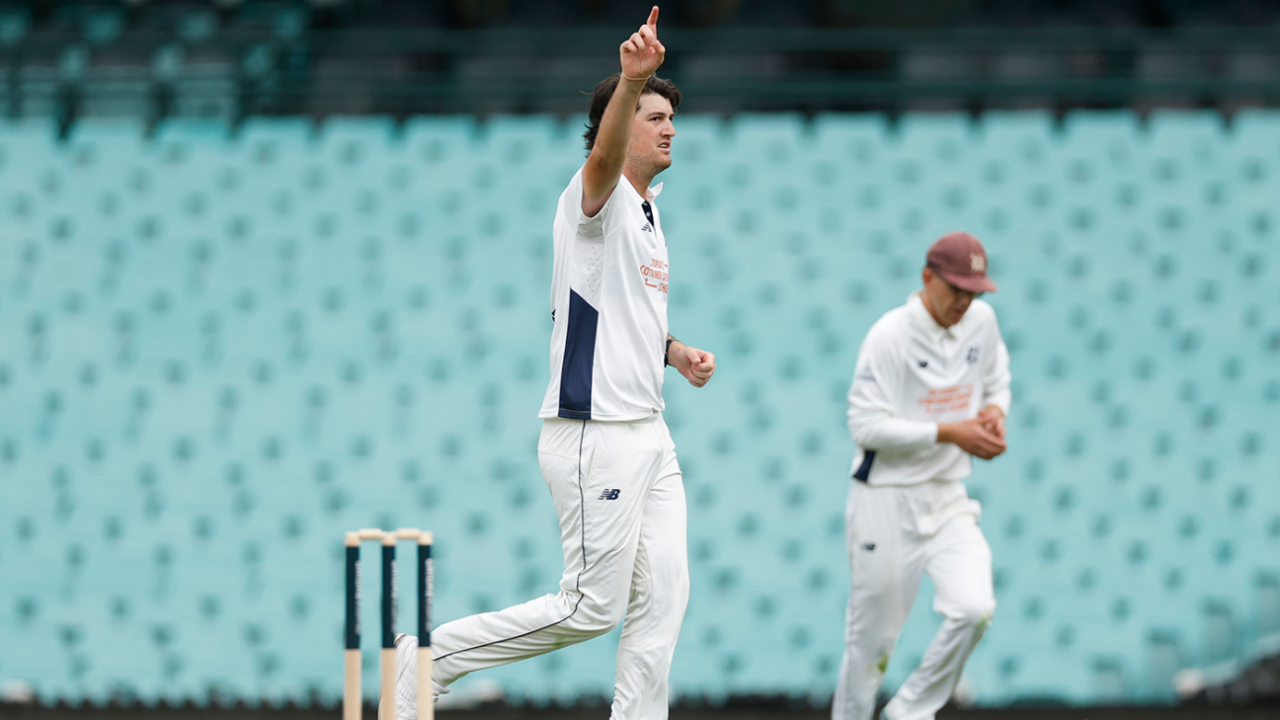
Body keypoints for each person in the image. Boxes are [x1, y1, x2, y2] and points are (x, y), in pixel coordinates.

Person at [386, 7, 717, 720]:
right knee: (589, 609)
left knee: (664, 596)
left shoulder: (650, 214)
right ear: (617, 128)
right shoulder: (590, 197)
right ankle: (430, 659)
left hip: (649, 433)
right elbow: (600, 164)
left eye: (670, 117)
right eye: (653, 116)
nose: (669, 128)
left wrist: (672, 351)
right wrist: (631, 80)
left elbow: (615, 314)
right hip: (593, 435)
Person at [834, 231, 1010, 720]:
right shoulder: (890, 334)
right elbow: (864, 426)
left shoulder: (982, 323)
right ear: (927, 278)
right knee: (871, 646)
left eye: (974, 290)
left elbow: (997, 380)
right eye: (956, 288)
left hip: (947, 496)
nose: (965, 301)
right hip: (884, 500)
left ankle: (908, 713)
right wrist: (951, 432)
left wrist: (995, 410)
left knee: (974, 608)